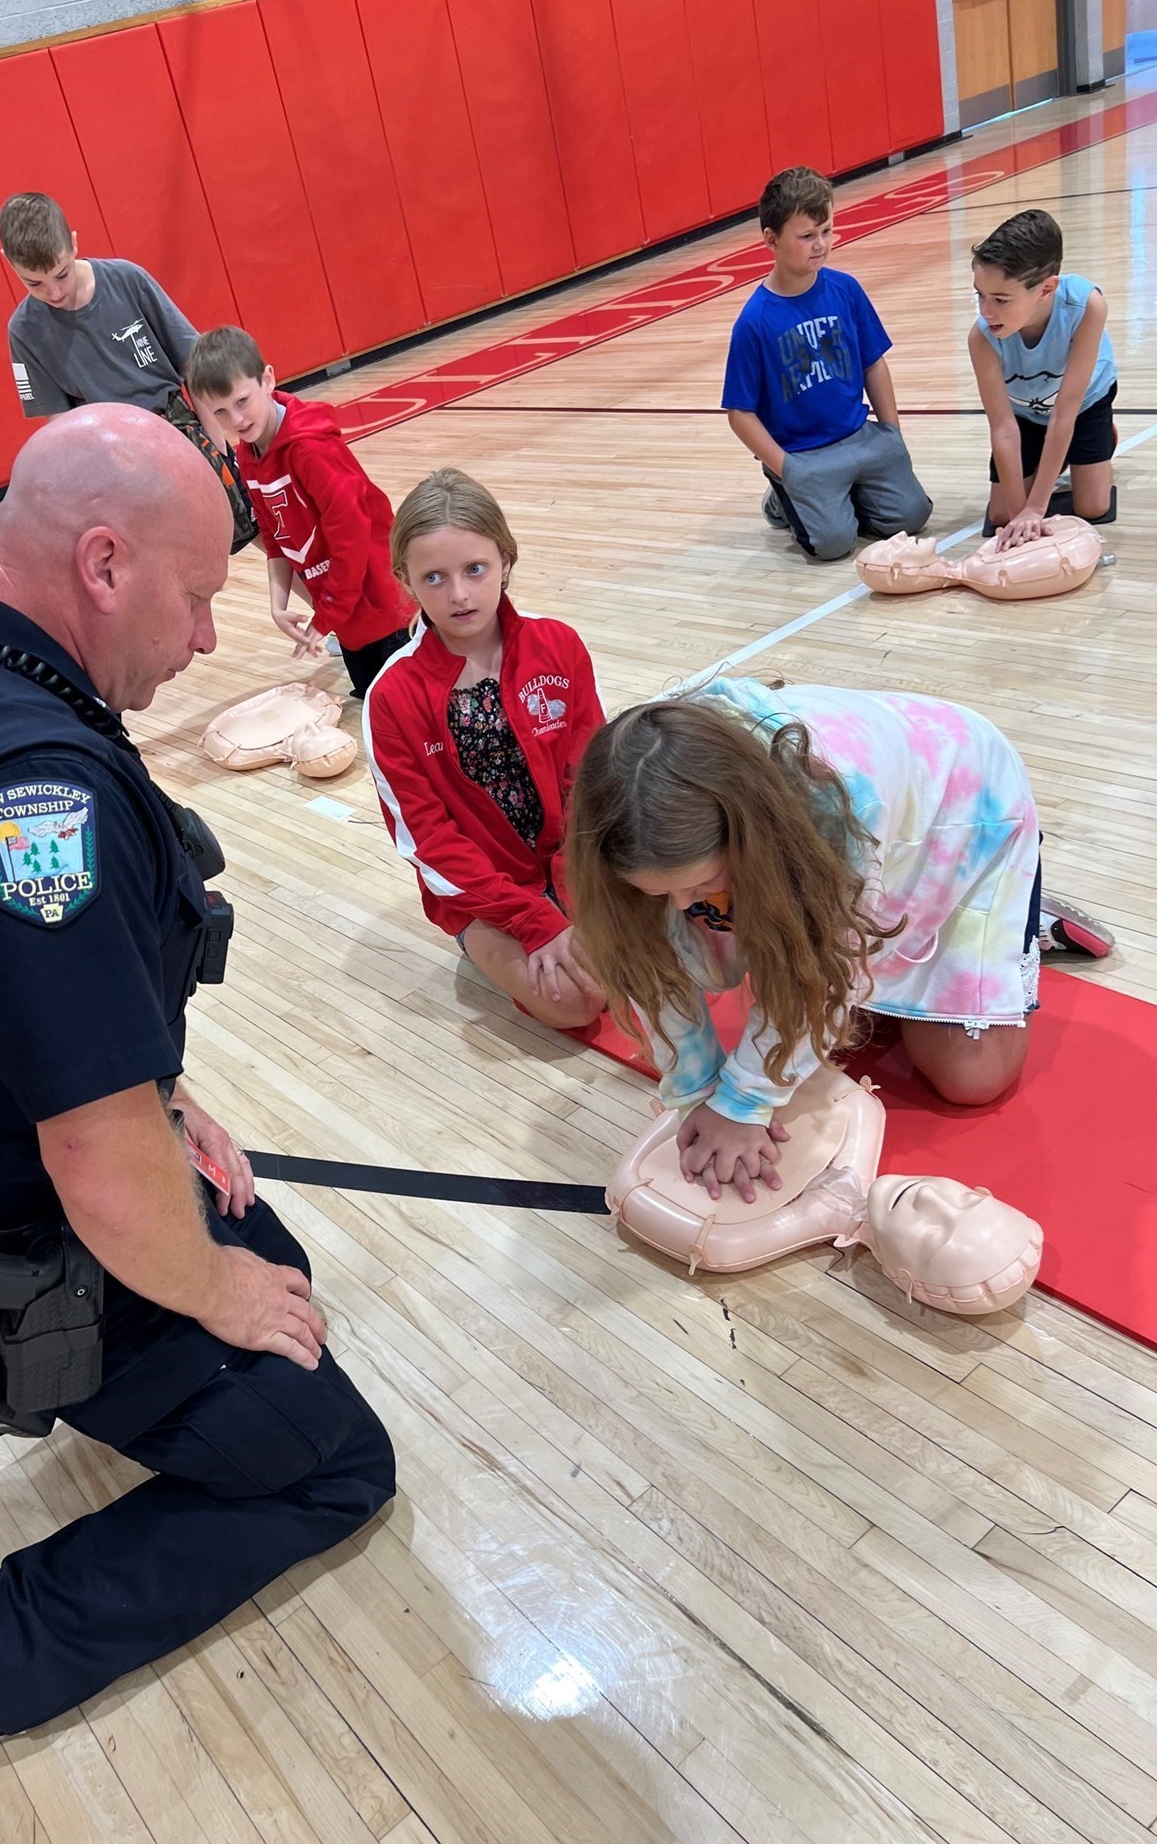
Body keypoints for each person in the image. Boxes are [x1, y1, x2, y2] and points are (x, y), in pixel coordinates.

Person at [0, 407, 395, 1844]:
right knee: (325, 1446)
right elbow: (102, 1171)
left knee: (245, 1232)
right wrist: (215, 1277)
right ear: (105, 563)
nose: (211, 636)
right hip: (26, 1234)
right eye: (199, 592)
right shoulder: (33, 798)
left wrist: (150, 1089)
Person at [565, 678, 1110, 1203]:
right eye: (659, 891)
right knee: (832, 1016)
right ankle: (870, 933)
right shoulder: (634, 801)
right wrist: (696, 1089)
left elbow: (826, 969)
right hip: (856, 847)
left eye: (699, 883)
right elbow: (646, 959)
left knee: (971, 1079)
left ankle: (1026, 914)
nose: (684, 906)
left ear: (749, 836)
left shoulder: (836, 809)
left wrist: (743, 1102)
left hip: (962, 816)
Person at [363, 468, 606, 1030]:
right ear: (404, 580)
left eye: (475, 569)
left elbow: (590, 779)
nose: (460, 594)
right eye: (434, 577)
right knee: (578, 1003)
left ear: (506, 559)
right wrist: (533, 920)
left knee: (677, 947)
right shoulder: (391, 697)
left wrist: (574, 890)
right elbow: (430, 842)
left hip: (578, 864)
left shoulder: (558, 645)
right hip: (487, 895)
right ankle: (496, 944)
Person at [0, 191, 255, 550]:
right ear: (8, 262)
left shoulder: (127, 279)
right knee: (172, 567)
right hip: (116, 464)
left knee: (255, 530)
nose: (53, 292)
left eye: (61, 274)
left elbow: (192, 364)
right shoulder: (23, 331)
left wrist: (217, 441)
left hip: (181, 432)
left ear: (73, 243)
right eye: (34, 283)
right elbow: (61, 426)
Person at [184, 326, 413, 700]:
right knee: (371, 700)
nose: (237, 421)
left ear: (268, 379)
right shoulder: (248, 453)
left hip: (384, 605)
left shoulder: (310, 450)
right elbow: (275, 536)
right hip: (345, 613)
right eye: (220, 412)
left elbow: (350, 537)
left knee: (406, 710)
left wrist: (326, 618)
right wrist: (278, 605)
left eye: (242, 401)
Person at [722, 166, 931, 562]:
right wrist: (785, 468)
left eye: (827, 231)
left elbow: (874, 363)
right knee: (833, 545)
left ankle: (844, 490)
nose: (820, 244)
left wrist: (891, 432)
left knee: (911, 517)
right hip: (803, 454)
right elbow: (739, 413)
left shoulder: (846, 289)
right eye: (806, 236)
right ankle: (783, 498)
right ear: (771, 240)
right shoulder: (754, 321)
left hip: (859, 437)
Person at [969, 208, 1118, 548]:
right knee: (1003, 515)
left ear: (1047, 288)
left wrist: (1037, 507)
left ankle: (1101, 438)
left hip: (1082, 407)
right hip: (1025, 415)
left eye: (1001, 300)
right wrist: (1021, 514)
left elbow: (1065, 413)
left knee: (1093, 506)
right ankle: (1054, 460)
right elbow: (1003, 428)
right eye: (980, 294)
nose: (986, 311)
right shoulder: (981, 338)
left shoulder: (1087, 306)